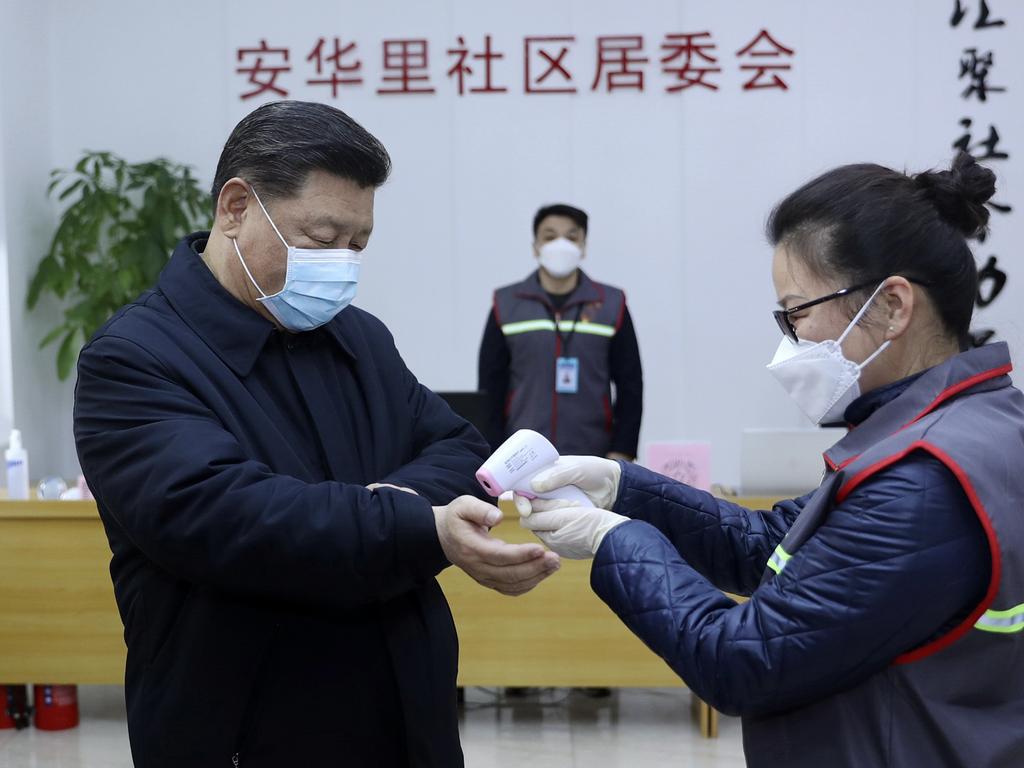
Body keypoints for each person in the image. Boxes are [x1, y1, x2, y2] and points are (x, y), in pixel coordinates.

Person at [73, 101, 559, 768]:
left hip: (406, 722)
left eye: (358, 244)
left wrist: (386, 507)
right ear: (236, 208)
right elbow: (231, 516)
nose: (342, 264)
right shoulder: (133, 359)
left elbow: (456, 448)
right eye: (321, 237)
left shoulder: (358, 337)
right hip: (245, 731)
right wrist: (414, 523)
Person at [515, 153, 1024, 767]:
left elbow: (744, 660)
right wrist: (623, 487)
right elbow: (775, 545)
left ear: (893, 305)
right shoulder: (970, 423)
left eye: (797, 314)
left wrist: (614, 542)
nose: (789, 343)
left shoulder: (920, 481)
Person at [478, 203, 643, 462]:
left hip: (594, 456)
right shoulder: (506, 303)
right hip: (521, 455)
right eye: (550, 236)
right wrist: (493, 451)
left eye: (571, 237)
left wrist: (622, 449)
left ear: (583, 246)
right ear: (536, 247)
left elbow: (630, 384)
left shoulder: (612, 304)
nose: (561, 244)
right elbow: (490, 388)